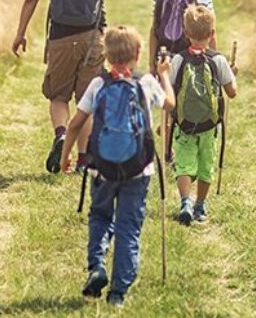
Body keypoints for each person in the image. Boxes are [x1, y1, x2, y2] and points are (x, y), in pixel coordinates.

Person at [11, 0, 154, 174]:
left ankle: (61, 134)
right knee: (86, 99)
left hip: (60, 37)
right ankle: (83, 161)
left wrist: (20, 32)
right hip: (93, 38)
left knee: (58, 95)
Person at [58, 26, 175, 308]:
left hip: (102, 167)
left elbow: (75, 124)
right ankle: (118, 293)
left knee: (100, 216)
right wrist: (164, 74)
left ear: (106, 57)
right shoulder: (146, 82)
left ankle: (97, 266)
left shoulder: (98, 85)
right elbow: (170, 104)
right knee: (128, 228)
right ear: (137, 54)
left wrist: (66, 156)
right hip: (138, 169)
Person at [168, 6, 237, 225]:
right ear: (212, 33)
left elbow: (169, 92)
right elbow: (231, 93)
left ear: (185, 33)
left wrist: (168, 121)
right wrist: (232, 76)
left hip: (184, 125)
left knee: (184, 164)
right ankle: (200, 206)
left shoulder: (178, 61)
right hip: (209, 126)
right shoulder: (218, 60)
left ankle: (185, 202)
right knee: (206, 165)